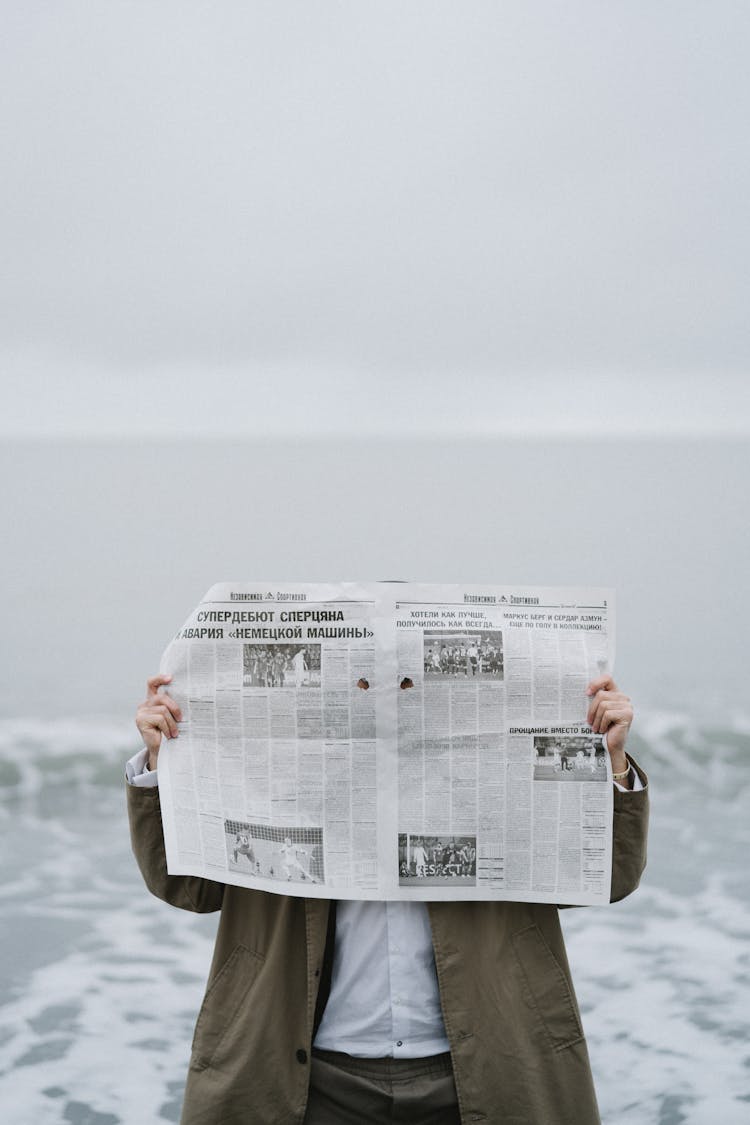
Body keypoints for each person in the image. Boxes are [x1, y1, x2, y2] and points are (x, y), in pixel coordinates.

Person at [127, 672, 648, 1124]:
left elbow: (610, 878)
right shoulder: (274, 778)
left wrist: (613, 761)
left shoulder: (491, 774)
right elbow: (188, 887)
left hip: (482, 1065)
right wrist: (161, 761)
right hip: (309, 1075)